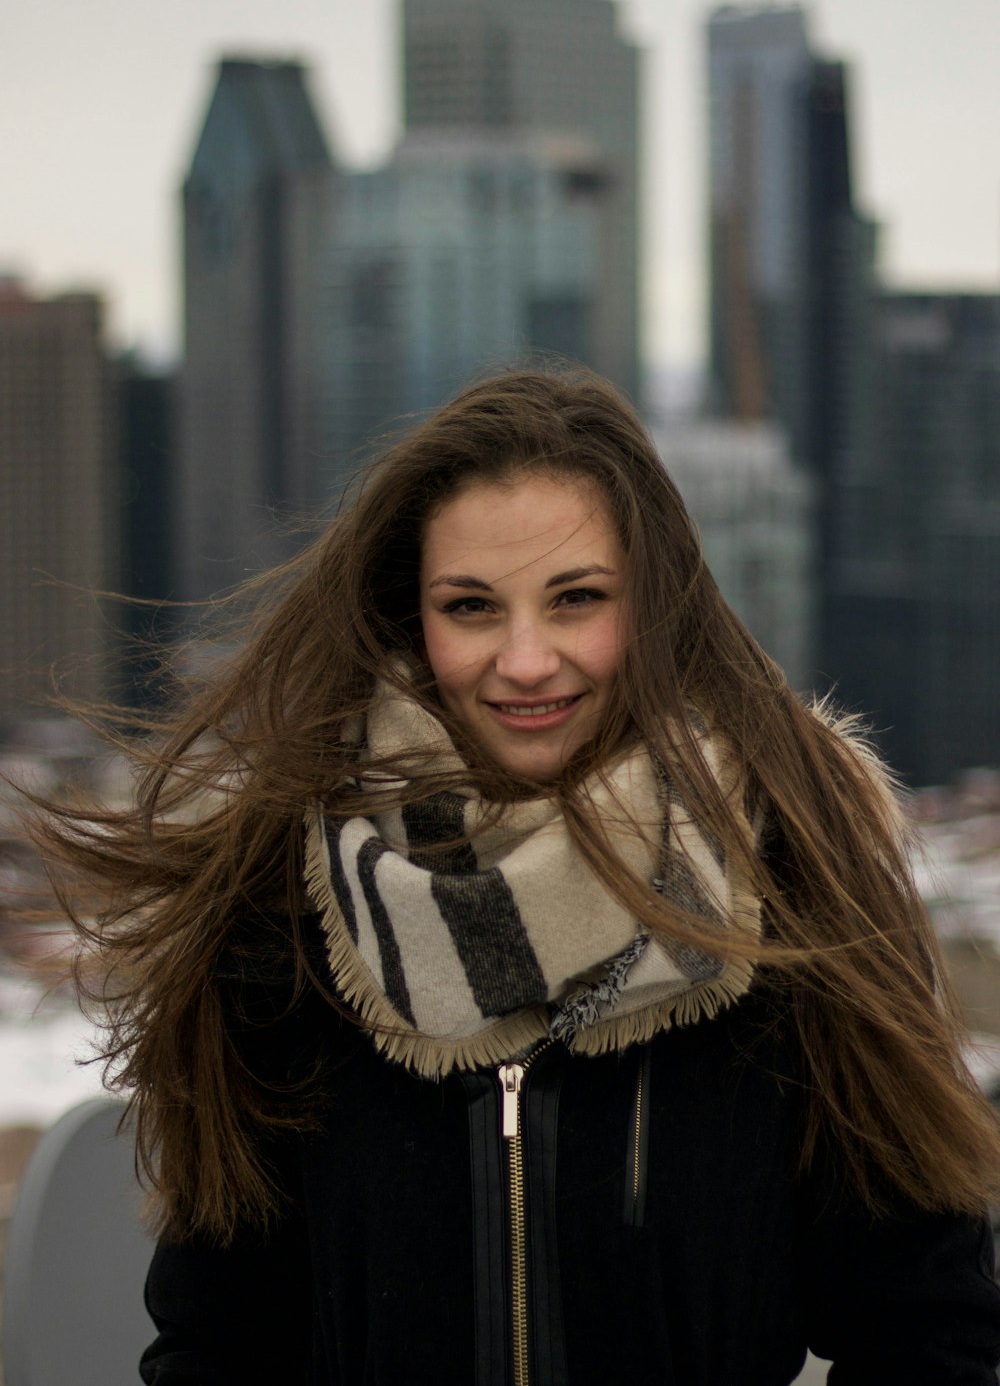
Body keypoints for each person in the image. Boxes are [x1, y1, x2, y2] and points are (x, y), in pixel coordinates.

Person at [28, 368, 1000, 1384]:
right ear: (411, 619)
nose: (526, 660)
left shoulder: (793, 871)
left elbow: (924, 1327)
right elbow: (220, 1346)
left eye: (576, 599)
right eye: (472, 607)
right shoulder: (285, 908)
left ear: (657, 604)